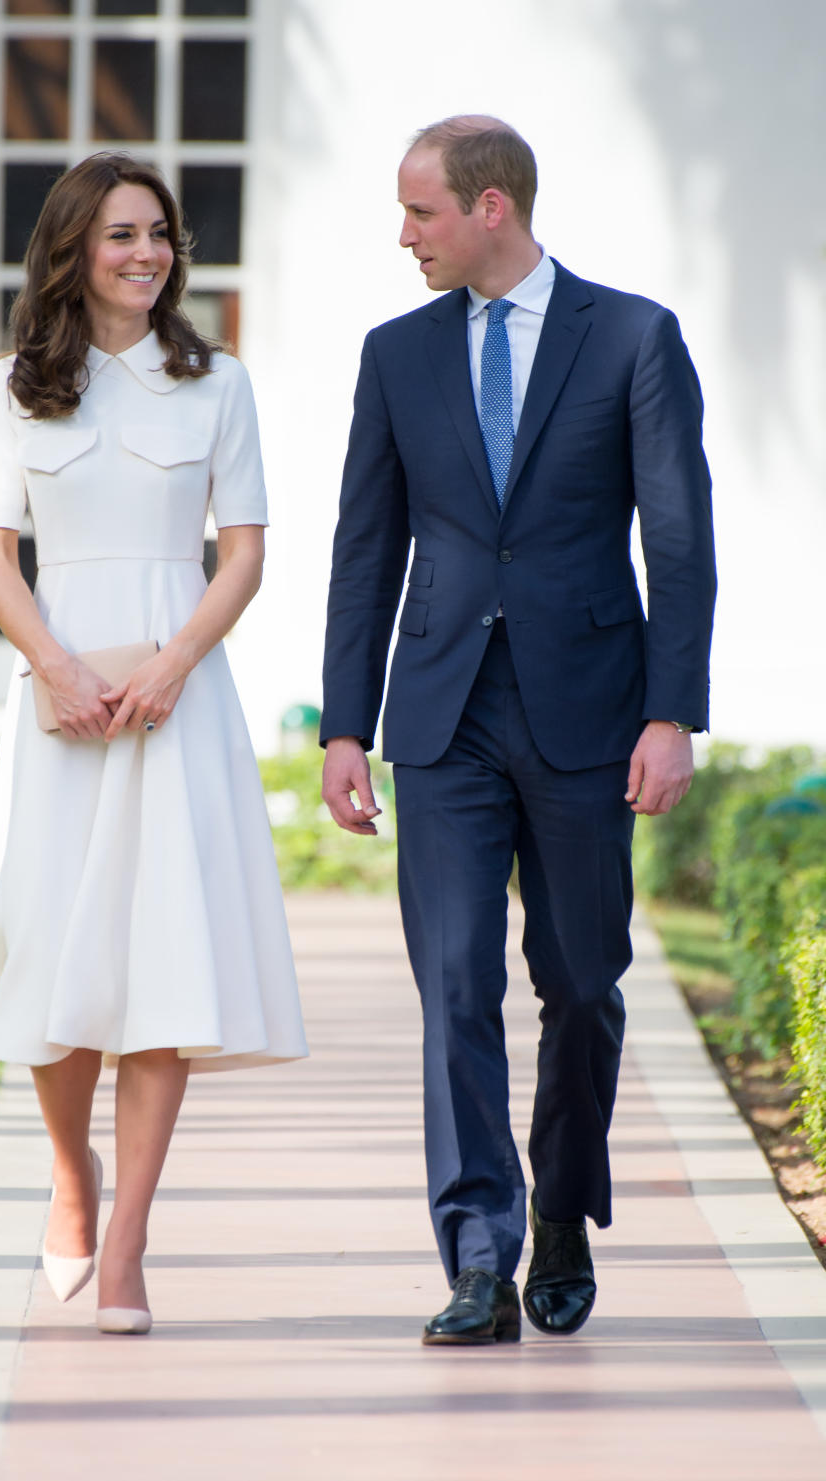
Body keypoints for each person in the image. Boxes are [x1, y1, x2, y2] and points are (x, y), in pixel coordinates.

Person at [321, 116, 716, 1345]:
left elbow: (681, 538)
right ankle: (481, 1252)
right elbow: (365, 547)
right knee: (452, 983)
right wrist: (345, 724)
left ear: (491, 208)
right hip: (441, 710)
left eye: (420, 212)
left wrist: (672, 712)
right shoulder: (396, 355)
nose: (404, 236)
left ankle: (560, 1218)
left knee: (585, 985)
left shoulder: (635, 338)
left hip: (590, 709)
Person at [0, 153, 308, 1336]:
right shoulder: (11, 387)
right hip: (56, 703)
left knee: (164, 968)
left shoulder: (218, 384)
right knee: (53, 954)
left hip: (175, 702)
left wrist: (171, 664)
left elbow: (242, 551)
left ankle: (134, 1236)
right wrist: (54, 666)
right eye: (118, 236)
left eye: (157, 233)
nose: (145, 253)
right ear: (72, 251)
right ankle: (68, 1175)